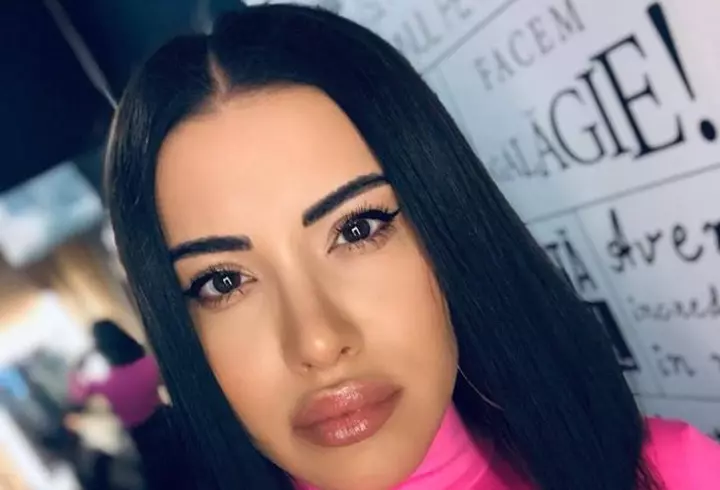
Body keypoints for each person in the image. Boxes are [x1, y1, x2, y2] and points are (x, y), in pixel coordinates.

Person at [104, 5, 720, 490]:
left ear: (446, 222)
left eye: (357, 229)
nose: (317, 342)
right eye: (223, 281)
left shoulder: (676, 475)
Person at [69, 319, 178, 489]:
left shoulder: (105, 386)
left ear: (101, 349)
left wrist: (82, 359)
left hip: (142, 439)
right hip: (168, 423)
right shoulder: (150, 365)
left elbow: (77, 393)